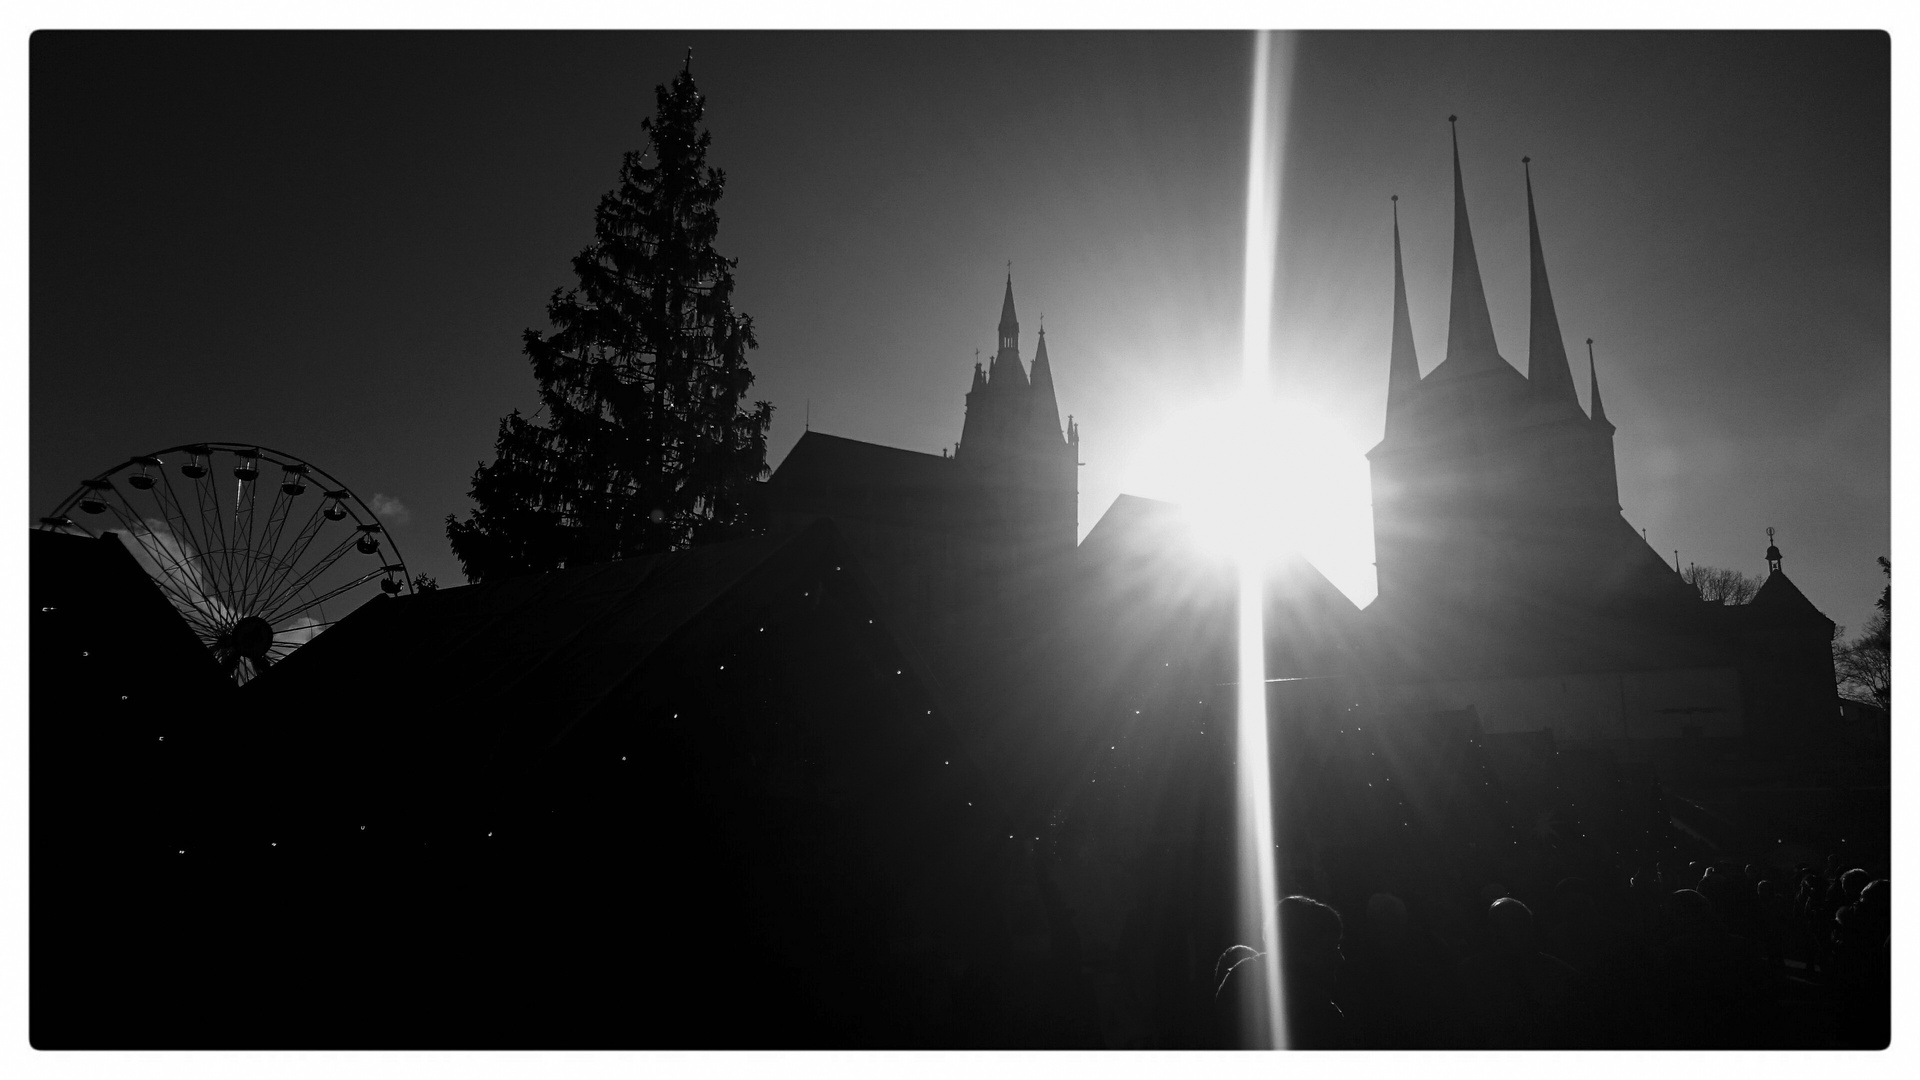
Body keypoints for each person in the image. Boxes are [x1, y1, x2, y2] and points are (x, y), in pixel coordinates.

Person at [1213, 895, 1355, 1048]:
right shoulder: (1320, 1017)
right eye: (1331, 948)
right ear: (1300, 950)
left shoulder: (1237, 988)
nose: (1340, 958)